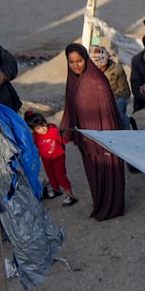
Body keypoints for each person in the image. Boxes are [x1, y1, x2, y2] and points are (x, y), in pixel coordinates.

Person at [61, 42, 127, 221]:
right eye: (71, 62)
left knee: (107, 171)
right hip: (86, 141)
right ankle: (100, 204)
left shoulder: (96, 81)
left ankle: (111, 207)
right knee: (94, 174)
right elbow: (70, 106)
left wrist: (106, 142)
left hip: (102, 139)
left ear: (86, 60)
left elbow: (108, 115)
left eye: (79, 61)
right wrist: (65, 131)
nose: (76, 66)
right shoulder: (73, 81)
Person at [24, 110, 75, 205]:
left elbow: (64, 141)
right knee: (51, 175)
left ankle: (70, 196)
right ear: (34, 129)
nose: (43, 129)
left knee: (61, 176)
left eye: (43, 124)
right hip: (46, 159)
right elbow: (37, 146)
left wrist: (65, 135)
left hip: (58, 157)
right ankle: (56, 190)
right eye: (38, 128)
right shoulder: (35, 136)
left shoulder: (54, 131)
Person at [91, 45, 131, 130]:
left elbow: (125, 92)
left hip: (116, 98)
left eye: (102, 67)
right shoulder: (90, 73)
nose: (100, 70)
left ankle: (124, 133)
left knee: (119, 114)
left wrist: (112, 97)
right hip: (97, 100)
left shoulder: (116, 69)